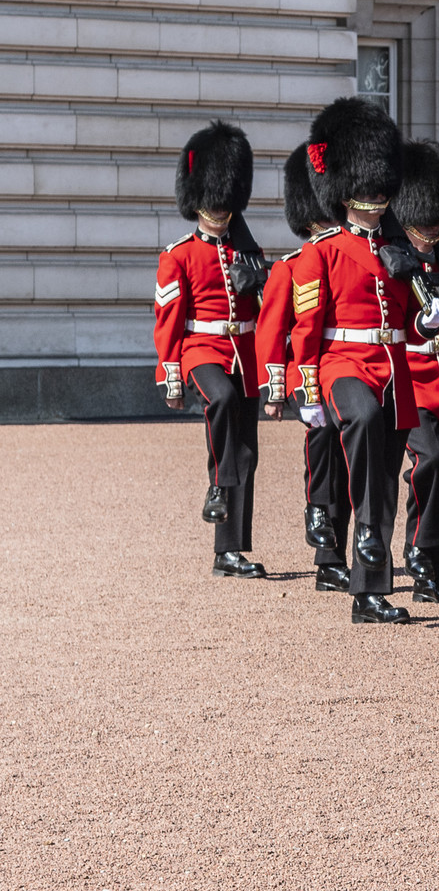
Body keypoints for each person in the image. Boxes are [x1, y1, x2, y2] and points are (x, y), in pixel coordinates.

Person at [285, 98, 423, 624]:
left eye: (380, 188)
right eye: (366, 188)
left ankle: (370, 594)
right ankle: (365, 533)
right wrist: (305, 387)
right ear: (345, 193)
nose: (375, 196)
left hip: (393, 369)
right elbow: (308, 326)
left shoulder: (399, 249)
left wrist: (429, 321)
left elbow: (407, 321)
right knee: (362, 420)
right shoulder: (321, 252)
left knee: (386, 473)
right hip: (343, 365)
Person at [156, 120, 267, 579]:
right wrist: (170, 376)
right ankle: (218, 487)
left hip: (246, 349)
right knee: (218, 399)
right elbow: (167, 320)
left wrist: (261, 277)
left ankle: (229, 551)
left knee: (246, 451)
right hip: (201, 348)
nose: (218, 211)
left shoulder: (246, 249)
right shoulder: (178, 255)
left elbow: (271, 306)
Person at [257, 145, 350, 589]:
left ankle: (334, 559)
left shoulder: (351, 256)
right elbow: (273, 332)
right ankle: (317, 510)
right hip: (306, 373)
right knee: (325, 438)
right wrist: (276, 389)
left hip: (344, 366)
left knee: (353, 460)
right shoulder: (290, 267)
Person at [390, 140, 439, 606]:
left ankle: (437, 567)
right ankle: (415, 551)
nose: (432, 230)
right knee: (428, 461)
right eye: (424, 222)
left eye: (437, 222)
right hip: (412, 380)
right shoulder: (396, 262)